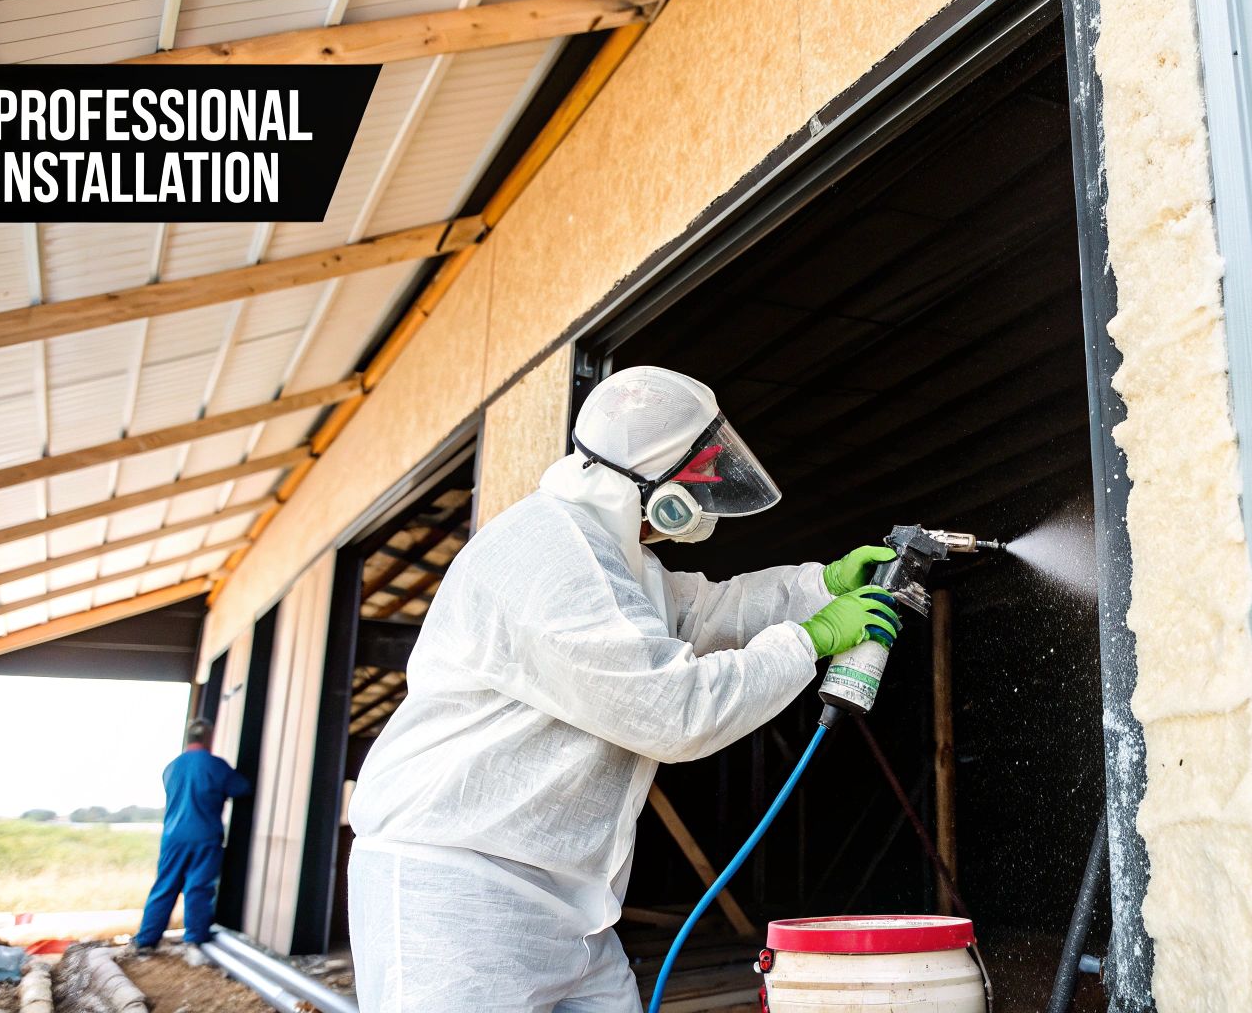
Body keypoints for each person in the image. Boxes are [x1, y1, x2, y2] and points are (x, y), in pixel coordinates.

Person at [347, 366, 900, 1012]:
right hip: (459, 893)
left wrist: (819, 587)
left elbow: (703, 615)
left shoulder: (614, 558)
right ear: (652, 485)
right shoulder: (550, 554)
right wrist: (809, 640)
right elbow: (673, 711)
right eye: (701, 480)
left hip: (568, 900)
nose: (707, 497)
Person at [134, 717, 251, 955]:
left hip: (173, 838)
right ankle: (195, 939)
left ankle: (145, 941)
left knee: (164, 886)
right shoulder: (215, 765)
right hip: (204, 837)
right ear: (209, 737)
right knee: (198, 887)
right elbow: (242, 788)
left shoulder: (172, 767)